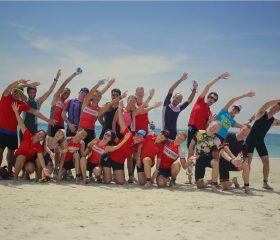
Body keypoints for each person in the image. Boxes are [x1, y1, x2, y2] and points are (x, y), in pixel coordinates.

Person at [0, 79, 56, 174]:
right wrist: (25, 84)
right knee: (1, 152)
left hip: (15, 132)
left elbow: (35, 112)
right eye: (15, 92)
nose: (17, 94)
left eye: (19, 93)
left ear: (21, 96)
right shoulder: (6, 97)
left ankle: (10, 171)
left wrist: (48, 120)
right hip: (7, 131)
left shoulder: (24, 104)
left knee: (11, 153)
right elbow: (10, 87)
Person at [188, 120, 240, 193]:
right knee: (199, 185)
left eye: (216, 128)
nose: (213, 128)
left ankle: (214, 184)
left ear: (217, 130)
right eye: (213, 126)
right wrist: (190, 158)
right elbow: (191, 146)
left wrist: (231, 160)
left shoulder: (216, 139)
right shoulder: (199, 133)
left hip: (209, 158)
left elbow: (222, 152)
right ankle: (209, 181)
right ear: (209, 124)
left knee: (215, 162)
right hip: (199, 159)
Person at [101, 101, 146, 185]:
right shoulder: (128, 135)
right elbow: (121, 123)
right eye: (138, 135)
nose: (138, 138)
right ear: (135, 134)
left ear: (142, 140)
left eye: (141, 138)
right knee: (107, 181)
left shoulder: (137, 146)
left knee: (120, 182)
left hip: (119, 162)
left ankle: (113, 173)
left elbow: (138, 156)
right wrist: (120, 109)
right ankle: (104, 171)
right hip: (109, 157)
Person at [187, 72, 230, 148]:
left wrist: (209, 121)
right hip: (192, 128)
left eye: (214, 99)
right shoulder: (200, 101)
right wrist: (219, 77)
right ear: (207, 97)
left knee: (198, 152)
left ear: (215, 102)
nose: (212, 99)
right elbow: (207, 86)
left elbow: (206, 127)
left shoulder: (210, 113)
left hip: (201, 133)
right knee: (189, 147)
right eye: (211, 97)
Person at [246, 99, 280, 190]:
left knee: (266, 162)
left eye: (276, 109)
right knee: (248, 162)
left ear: (278, 111)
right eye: (273, 107)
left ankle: (265, 183)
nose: (273, 109)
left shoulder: (274, 121)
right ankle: (246, 183)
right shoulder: (261, 113)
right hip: (250, 140)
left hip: (260, 141)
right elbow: (267, 103)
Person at [20, 69, 61, 141]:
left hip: (34, 130)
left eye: (33, 92)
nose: (32, 94)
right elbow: (17, 89)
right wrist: (27, 84)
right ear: (28, 93)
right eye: (30, 92)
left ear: (35, 93)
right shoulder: (25, 100)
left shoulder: (38, 101)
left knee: (33, 151)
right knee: (22, 150)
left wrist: (56, 78)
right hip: (24, 129)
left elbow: (50, 90)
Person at [11, 103, 47, 181]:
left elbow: (40, 158)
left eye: (42, 136)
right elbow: (21, 123)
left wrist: (44, 168)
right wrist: (16, 112)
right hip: (17, 158)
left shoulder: (38, 146)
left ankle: (27, 174)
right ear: (36, 133)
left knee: (30, 168)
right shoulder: (28, 135)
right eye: (40, 133)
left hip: (28, 161)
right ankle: (16, 177)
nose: (41, 135)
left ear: (42, 139)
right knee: (22, 157)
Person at [79, 79, 119, 146]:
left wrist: (121, 97)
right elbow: (91, 93)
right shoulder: (86, 103)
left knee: (89, 151)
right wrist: (98, 84)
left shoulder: (99, 109)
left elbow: (109, 104)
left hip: (91, 132)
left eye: (99, 97)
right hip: (81, 130)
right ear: (92, 96)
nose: (97, 97)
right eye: (95, 96)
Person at [162, 72, 197, 140]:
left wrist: (194, 89)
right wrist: (181, 79)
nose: (177, 100)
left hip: (174, 134)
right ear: (173, 97)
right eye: (176, 97)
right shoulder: (167, 104)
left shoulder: (179, 108)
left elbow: (189, 100)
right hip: (164, 133)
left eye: (179, 99)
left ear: (180, 101)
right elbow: (171, 90)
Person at [48, 69, 81, 137]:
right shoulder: (56, 98)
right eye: (65, 92)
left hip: (61, 127)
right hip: (52, 125)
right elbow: (64, 84)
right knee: (51, 144)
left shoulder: (67, 103)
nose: (66, 94)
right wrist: (74, 74)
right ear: (62, 91)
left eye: (68, 93)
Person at [219, 125, 251, 194]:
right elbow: (225, 148)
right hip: (224, 162)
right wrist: (234, 158)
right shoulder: (230, 135)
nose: (244, 133)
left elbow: (246, 159)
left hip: (235, 164)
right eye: (244, 130)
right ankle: (234, 180)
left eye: (247, 132)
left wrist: (241, 162)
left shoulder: (244, 144)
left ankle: (246, 186)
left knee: (246, 165)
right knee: (225, 187)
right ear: (240, 129)